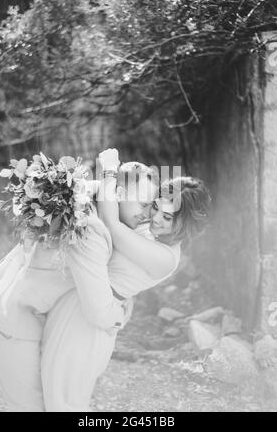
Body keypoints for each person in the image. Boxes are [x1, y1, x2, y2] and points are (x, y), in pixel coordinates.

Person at [0, 157, 158, 412]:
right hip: (12, 319)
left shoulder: (102, 208)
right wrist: (120, 314)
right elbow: (98, 311)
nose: (148, 214)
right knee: (30, 407)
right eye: (144, 204)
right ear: (118, 193)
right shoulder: (89, 229)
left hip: (38, 313)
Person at [40, 149, 211, 411]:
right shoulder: (151, 229)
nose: (154, 217)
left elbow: (112, 222)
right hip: (82, 301)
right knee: (55, 390)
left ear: (185, 226)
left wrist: (108, 170)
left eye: (167, 217)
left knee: (67, 396)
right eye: (154, 206)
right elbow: (118, 206)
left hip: (93, 317)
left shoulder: (166, 257)